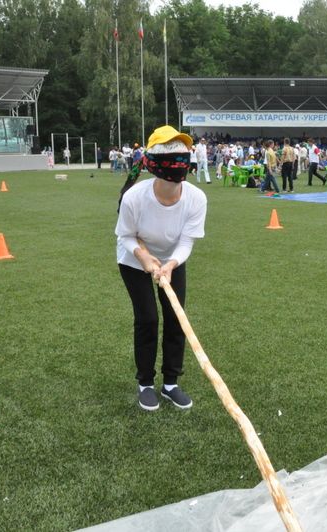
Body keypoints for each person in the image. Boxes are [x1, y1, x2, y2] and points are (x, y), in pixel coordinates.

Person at [115, 125, 207, 411]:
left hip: (172, 260)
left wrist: (170, 264)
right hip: (134, 260)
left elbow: (187, 241)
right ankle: (145, 383)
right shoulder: (134, 198)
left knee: (176, 319)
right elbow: (126, 236)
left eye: (183, 153)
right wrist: (144, 257)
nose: (179, 162)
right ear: (155, 164)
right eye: (172, 154)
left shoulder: (196, 198)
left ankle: (170, 383)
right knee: (148, 319)